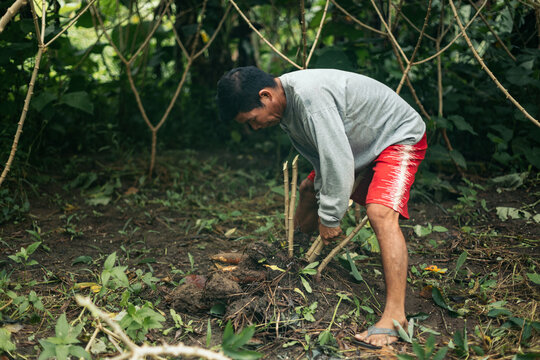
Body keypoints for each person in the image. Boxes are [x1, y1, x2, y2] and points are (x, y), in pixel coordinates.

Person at [216, 66, 427, 347]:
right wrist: (322, 194)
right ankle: (296, 257)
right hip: (356, 145)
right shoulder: (286, 106)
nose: (254, 127)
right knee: (307, 190)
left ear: (265, 96)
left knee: (380, 213)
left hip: (396, 136)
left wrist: (330, 217)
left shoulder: (310, 99)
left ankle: (395, 316)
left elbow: (337, 161)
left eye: (252, 119)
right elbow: (322, 155)